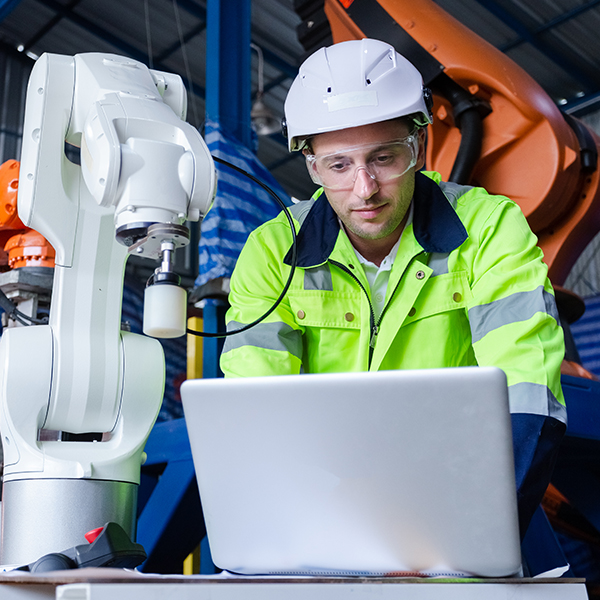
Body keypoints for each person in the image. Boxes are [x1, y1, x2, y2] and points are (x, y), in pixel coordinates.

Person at [220, 38, 566, 537]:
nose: (365, 189)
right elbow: (256, 417)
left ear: (418, 147)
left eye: (383, 158)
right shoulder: (272, 252)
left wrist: (467, 533)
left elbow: (526, 393)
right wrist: (329, 526)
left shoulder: (490, 229)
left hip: (467, 501)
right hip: (325, 515)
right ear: (312, 165)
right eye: (338, 166)